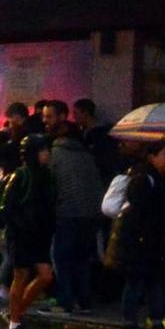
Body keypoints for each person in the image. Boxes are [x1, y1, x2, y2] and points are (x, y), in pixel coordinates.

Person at [111, 145, 165, 329]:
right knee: (137, 282)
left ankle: (156, 322)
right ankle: (130, 322)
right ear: (152, 156)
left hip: (155, 241)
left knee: (154, 282)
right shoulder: (143, 178)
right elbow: (142, 206)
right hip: (139, 240)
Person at [2, 134, 57, 329]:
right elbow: (8, 207)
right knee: (21, 275)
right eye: (44, 150)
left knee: (45, 276)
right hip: (22, 234)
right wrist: (19, 228)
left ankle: (16, 314)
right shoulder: (21, 176)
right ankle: (15, 322)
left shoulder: (47, 175)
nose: (47, 154)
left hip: (39, 234)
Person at [48, 123, 103, 314]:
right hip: (90, 214)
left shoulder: (54, 155)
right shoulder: (87, 156)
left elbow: (50, 185)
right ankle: (84, 301)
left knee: (62, 259)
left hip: (65, 213)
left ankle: (65, 301)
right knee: (82, 260)